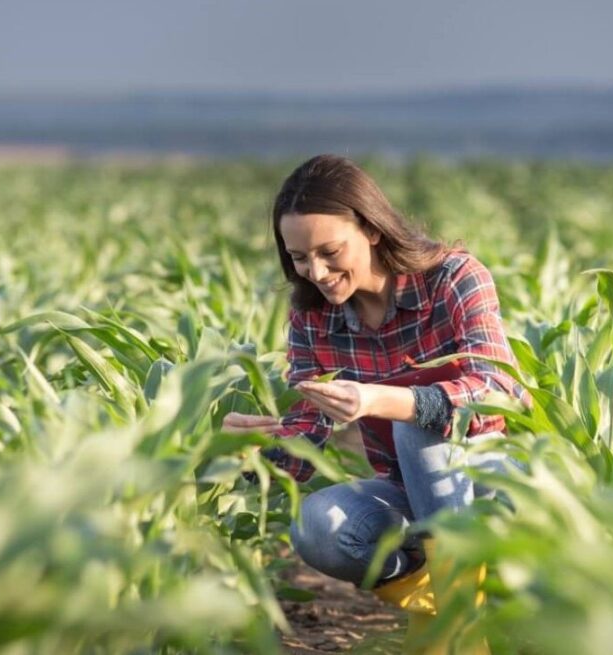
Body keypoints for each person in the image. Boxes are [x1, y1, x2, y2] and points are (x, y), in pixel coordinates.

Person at [223, 154, 529, 654]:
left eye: (330, 251)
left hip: (497, 479)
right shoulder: (314, 320)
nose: (317, 272)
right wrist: (241, 449)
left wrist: (381, 399)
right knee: (318, 527)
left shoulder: (453, 278)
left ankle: (458, 633)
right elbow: (304, 440)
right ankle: (446, 597)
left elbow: (498, 387)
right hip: (411, 492)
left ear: (371, 229)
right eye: (299, 258)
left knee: (414, 422)